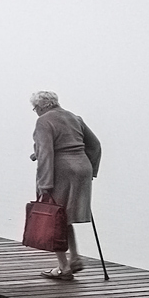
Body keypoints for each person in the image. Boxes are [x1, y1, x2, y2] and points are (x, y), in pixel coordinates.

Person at [31, 90, 102, 279]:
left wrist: (44, 184)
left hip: (62, 172)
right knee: (64, 217)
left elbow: (46, 152)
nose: (36, 111)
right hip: (82, 169)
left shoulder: (44, 121)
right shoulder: (74, 117)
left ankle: (64, 267)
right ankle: (75, 257)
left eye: (36, 108)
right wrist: (91, 170)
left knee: (54, 218)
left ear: (44, 106)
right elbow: (95, 145)